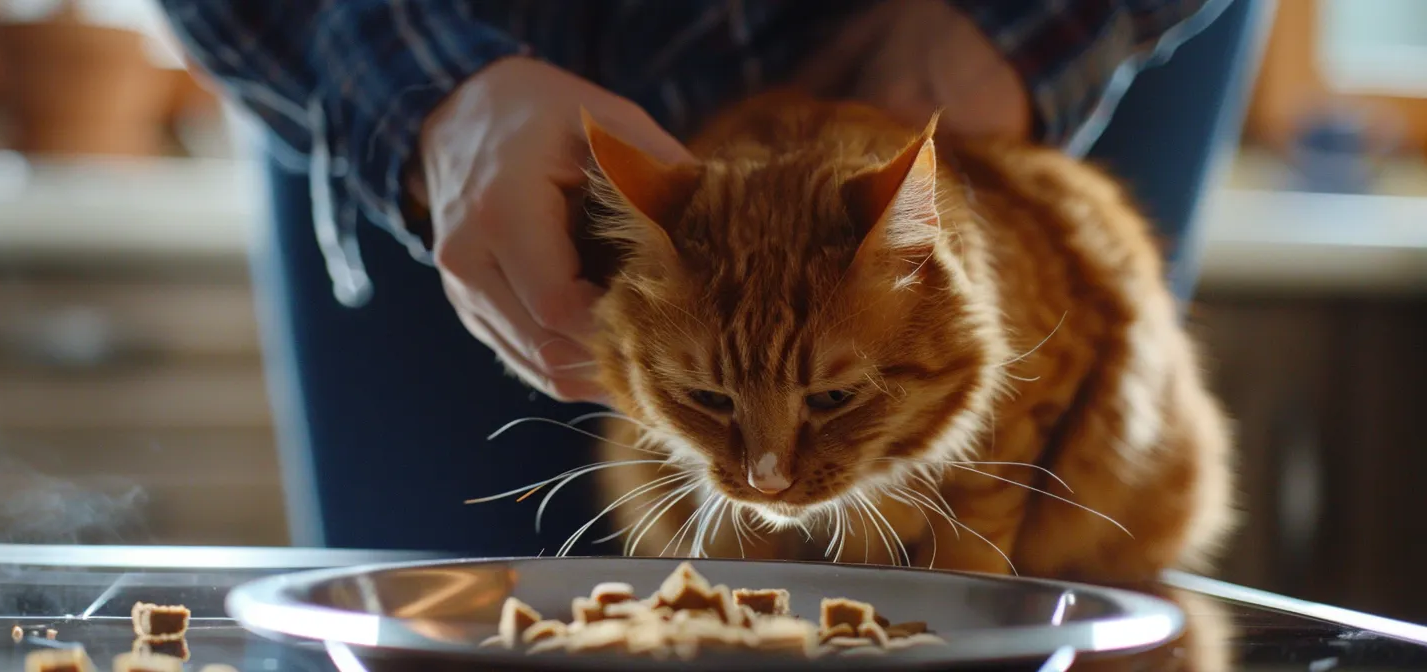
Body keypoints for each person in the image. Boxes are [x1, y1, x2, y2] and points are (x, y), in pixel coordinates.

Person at [157, 0, 1267, 555]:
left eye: (825, 403)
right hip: (464, 45)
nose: (769, 476)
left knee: (1087, 550)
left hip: (982, 43)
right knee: (453, 601)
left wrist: (1029, 25)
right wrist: (426, 102)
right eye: (720, 411)